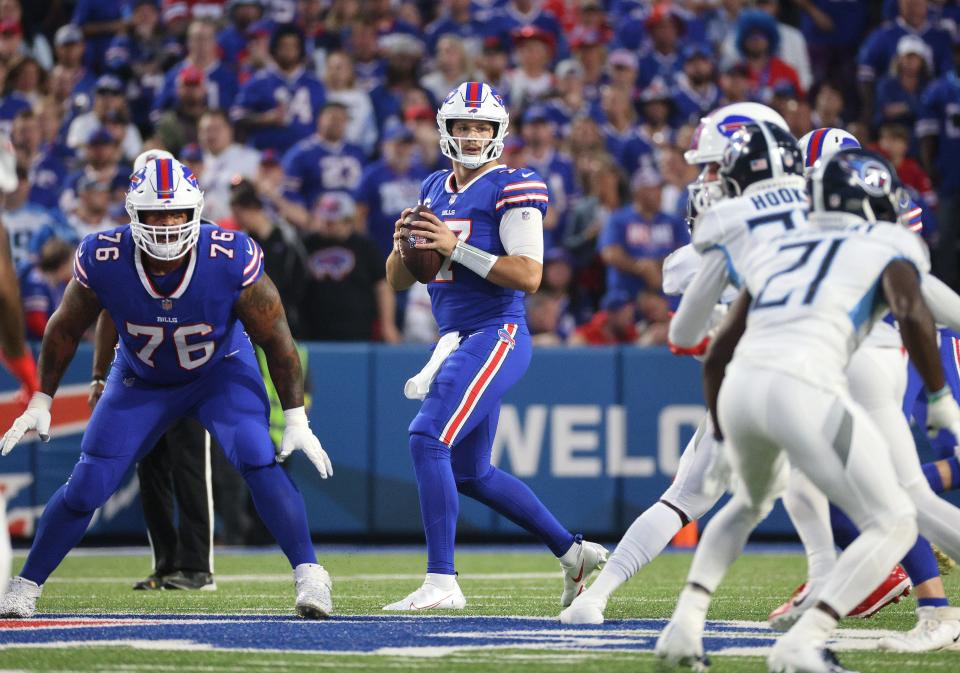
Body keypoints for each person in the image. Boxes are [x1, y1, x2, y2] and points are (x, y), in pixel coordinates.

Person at [655, 148, 956, 673]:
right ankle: (804, 641)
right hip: (807, 386)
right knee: (896, 521)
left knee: (747, 505)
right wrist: (939, 397)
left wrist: (723, 433)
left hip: (743, 385)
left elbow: (718, 348)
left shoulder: (779, 243)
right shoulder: (885, 242)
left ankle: (684, 625)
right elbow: (914, 311)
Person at [0, 156, 334, 619]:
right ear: (133, 215)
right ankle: (26, 584)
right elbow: (64, 327)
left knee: (257, 454)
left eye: (177, 212)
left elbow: (276, 338)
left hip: (218, 373)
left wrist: (295, 416)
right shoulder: (105, 256)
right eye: (156, 213)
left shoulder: (229, 255)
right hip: (143, 377)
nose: (168, 224)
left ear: (196, 209)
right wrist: (42, 396)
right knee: (88, 484)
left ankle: (310, 574)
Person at [383, 81, 607, 611]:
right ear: (446, 130)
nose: (471, 135)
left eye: (481, 126)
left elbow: (529, 276)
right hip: (455, 337)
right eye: (463, 125)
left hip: (496, 331)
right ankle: (572, 553)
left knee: (426, 437)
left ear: (498, 132)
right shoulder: (434, 187)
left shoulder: (514, 185)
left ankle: (442, 582)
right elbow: (398, 281)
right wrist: (400, 248)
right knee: (470, 472)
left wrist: (456, 248)